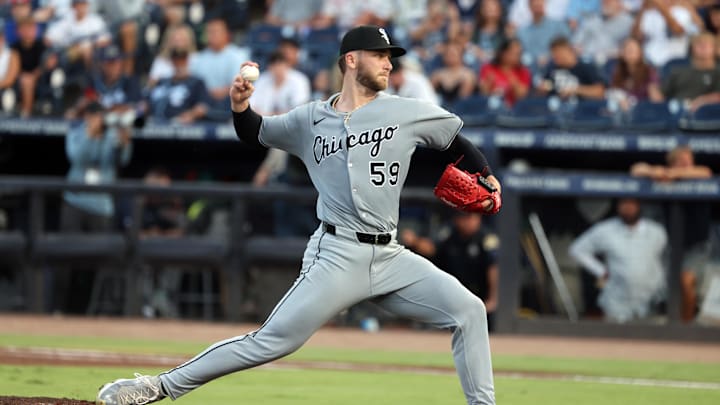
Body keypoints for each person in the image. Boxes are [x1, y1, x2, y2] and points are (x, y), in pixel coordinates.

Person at [97, 24, 501, 405]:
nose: (388, 62)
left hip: (391, 256)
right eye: (379, 55)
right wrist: (240, 107)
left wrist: (485, 174)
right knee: (271, 340)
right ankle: (156, 386)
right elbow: (256, 132)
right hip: (337, 254)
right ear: (351, 60)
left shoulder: (406, 111)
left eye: (390, 56)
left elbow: (455, 140)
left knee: (470, 311)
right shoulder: (308, 120)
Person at [58, 101, 133, 313]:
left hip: (101, 206)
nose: (97, 120)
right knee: (66, 257)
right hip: (75, 201)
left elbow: (122, 160)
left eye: (99, 116)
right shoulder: (76, 131)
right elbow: (77, 158)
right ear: (87, 117)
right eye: (93, 116)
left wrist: (124, 140)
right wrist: (91, 134)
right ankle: (60, 308)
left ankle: (89, 310)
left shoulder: (110, 135)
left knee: (97, 261)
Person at [630, 146, 713, 322]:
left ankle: (686, 325)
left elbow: (705, 172)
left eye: (689, 160)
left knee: (685, 282)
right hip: (672, 245)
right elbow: (636, 169)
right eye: (682, 160)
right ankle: (674, 323)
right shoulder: (665, 176)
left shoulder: (697, 175)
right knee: (668, 287)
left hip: (697, 244)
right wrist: (657, 172)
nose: (687, 164)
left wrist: (671, 175)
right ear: (673, 162)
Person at [569, 198, 668, 323]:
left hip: (651, 304)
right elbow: (577, 250)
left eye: (631, 203)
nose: (627, 207)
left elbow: (665, 261)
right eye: (623, 203)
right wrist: (601, 271)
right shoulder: (606, 230)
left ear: (639, 204)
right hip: (617, 305)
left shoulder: (656, 231)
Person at [189, 17, 248, 122]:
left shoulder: (238, 54)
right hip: (203, 103)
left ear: (227, 34)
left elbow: (239, 84)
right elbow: (193, 84)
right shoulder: (198, 58)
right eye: (210, 32)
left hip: (228, 102)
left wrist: (218, 92)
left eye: (216, 31)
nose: (212, 35)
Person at [144, 47, 209, 124]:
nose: (179, 63)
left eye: (182, 60)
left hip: (180, 125)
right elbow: (145, 103)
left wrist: (191, 114)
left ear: (187, 60)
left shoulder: (197, 82)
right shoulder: (162, 81)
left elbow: (202, 107)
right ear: (171, 61)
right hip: (153, 122)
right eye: (176, 60)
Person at [631, 0, 703, 67]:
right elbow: (636, 36)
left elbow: (678, 32)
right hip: (651, 61)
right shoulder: (649, 13)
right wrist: (643, 9)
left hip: (675, 61)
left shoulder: (682, 12)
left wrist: (661, 8)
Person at [661, 32, 720, 113]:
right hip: (676, 112)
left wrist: (702, 101)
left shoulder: (717, 71)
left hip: (708, 115)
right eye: (699, 44)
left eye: (708, 44)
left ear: (715, 48)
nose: (704, 47)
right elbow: (661, 93)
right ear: (691, 48)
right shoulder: (678, 70)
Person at [536, 36, 606, 100]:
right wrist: (542, 89)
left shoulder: (586, 67)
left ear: (568, 50)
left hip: (583, 110)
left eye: (558, 53)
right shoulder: (552, 69)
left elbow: (600, 91)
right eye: (553, 53)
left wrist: (576, 90)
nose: (554, 57)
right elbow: (544, 88)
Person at [608, 37, 663, 111]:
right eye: (627, 49)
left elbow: (656, 99)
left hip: (643, 112)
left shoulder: (648, 72)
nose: (630, 52)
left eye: (632, 50)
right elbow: (613, 92)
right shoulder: (618, 72)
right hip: (622, 114)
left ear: (640, 52)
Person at [572, 0, 634, 65]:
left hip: (609, 62)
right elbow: (577, 41)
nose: (605, 3)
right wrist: (577, 48)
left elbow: (628, 49)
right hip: (584, 60)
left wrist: (606, 55)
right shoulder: (592, 19)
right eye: (603, 2)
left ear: (618, 2)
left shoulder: (628, 22)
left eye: (609, 1)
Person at [516, 0, 571, 67]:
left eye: (540, 4)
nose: (538, 7)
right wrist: (534, 60)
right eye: (535, 5)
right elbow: (521, 54)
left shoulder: (558, 26)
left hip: (557, 67)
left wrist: (550, 57)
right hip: (531, 69)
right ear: (529, 7)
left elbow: (568, 46)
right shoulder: (522, 31)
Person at [10, 16, 46, 117]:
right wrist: (21, 75)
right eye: (24, 28)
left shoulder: (41, 46)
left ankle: (26, 115)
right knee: (25, 79)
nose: (27, 31)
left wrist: (33, 76)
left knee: (27, 80)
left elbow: (45, 65)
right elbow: (13, 67)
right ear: (18, 31)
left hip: (39, 78)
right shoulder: (14, 47)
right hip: (17, 78)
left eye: (30, 28)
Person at [478, 38, 531, 107]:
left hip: (514, 112)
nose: (518, 57)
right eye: (515, 54)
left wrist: (513, 81)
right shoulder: (488, 68)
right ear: (503, 53)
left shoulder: (524, 71)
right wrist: (489, 84)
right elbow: (483, 93)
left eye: (520, 54)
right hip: (489, 109)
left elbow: (522, 95)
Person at [430, 40, 477, 106]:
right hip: (440, 107)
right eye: (447, 54)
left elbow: (464, 98)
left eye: (453, 54)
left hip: (460, 109)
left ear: (460, 55)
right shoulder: (437, 75)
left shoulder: (468, 75)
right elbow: (429, 94)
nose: (450, 57)